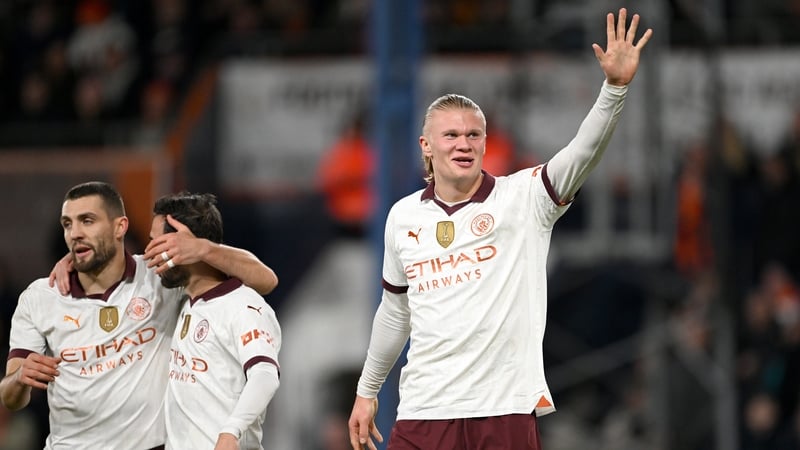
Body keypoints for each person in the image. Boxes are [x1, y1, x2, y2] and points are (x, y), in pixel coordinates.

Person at [347, 8, 652, 450]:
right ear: (426, 147)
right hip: (424, 412)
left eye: (474, 135)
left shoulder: (524, 198)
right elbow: (395, 313)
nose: (464, 143)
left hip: (503, 409)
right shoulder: (403, 217)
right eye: (451, 135)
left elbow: (581, 154)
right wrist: (367, 389)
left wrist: (614, 89)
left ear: (486, 144)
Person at [0, 181, 277, 449]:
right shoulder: (40, 297)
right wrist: (20, 377)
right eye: (67, 224)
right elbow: (10, 398)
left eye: (87, 221)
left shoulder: (160, 277)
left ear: (120, 226)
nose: (74, 233)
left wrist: (204, 248)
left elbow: (265, 281)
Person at [151, 192, 281, 449]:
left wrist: (231, 432)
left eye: (158, 243)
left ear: (185, 246)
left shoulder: (243, 306)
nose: (150, 252)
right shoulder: (183, 300)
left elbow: (265, 375)